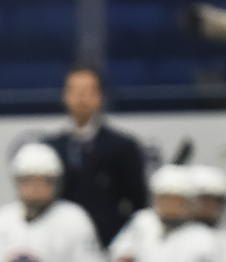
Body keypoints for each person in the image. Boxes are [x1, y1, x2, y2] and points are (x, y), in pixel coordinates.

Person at [44, 68, 151, 248]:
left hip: (110, 244)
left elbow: (139, 203)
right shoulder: (52, 149)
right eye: (75, 91)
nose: (81, 98)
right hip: (62, 245)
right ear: (65, 96)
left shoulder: (122, 147)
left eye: (87, 91)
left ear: (100, 97)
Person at [108, 165, 189, 262]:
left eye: (177, 200)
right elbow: (117, 257)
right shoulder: (143, 222)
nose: (171, 206)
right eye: (166, 199)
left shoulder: (196, 234)